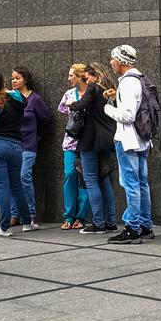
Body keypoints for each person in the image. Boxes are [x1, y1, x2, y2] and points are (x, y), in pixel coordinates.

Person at [104, 45, 155, 245]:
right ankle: (145, 225)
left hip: (127, 141)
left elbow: (127, 115)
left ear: (121, 61)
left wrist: (108, 108)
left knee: (131, 185)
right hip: (142, 140)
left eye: (112, 59)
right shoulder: (140, 79)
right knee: (142, 184)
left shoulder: (127, 83)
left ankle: (132, 228)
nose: (111, 63)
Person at [0, 70, 38, 236]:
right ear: (3, 81)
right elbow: (23, 101)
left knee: (2, 186)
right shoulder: (17, 97)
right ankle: (27, 222)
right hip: (16, 146)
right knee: (17, 186)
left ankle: (4, 227)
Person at [69, 63, 119, 234]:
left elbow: (82, 104)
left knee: (90, 180)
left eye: (88, 76)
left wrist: (72, 104)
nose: (86, 79)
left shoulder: (93, 88)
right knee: (104, 180)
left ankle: (98, 223)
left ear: (95, 76)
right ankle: (111, 222)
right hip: (106, 140)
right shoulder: (109, 89)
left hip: (90, 139)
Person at [12, 67, 52, 225]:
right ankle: (14, 214)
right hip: (13, 144)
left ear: (25, 80)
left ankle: (30, 213)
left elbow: (47, 119)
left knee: (24, 177)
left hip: (29, 145)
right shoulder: (10, 98)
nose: (14, 81)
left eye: (17, 78)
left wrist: (37, 136)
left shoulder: (35, 99)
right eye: (12, 78)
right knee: (13, 179)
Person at [58, 64, 90, 230]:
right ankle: (69, 215)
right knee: (70, 175)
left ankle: (81, 216)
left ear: (79, 76)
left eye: (72, 75)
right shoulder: (69, 94)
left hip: (87, 142)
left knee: (85, 179)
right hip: (71, 141)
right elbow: (65, 113)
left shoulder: (91, 92)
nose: (69, 78)